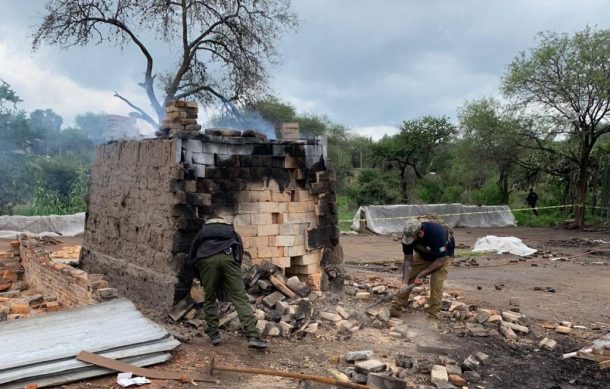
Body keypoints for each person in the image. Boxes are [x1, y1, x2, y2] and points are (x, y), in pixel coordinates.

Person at [175, 216, 267, 349]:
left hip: (206, 259)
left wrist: (198, 274)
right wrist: (235, 267)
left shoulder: (203, 232)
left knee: (210, 297)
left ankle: (214, 335)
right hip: (228, 257)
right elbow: (239, 250)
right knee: (240, 297)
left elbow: (192, 254)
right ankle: (253, 336)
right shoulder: (231, 232)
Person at [390, 218, 455, 328]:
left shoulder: (436, 234)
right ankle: (396, 308)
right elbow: (408, 260)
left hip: (442, 257)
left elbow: (440, 261)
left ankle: (433, 317)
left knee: (436, 282)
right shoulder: (408, 235)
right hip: (423, 255)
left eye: (412, 238)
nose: (409, 241)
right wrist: (404, 282)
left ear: (420, 233)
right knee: (408, 277)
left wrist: (421, 275)